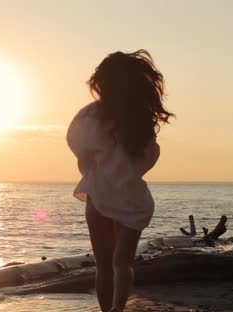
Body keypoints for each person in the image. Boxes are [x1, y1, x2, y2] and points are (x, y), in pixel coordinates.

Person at [67, 50, 174, 311]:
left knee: (103, 265)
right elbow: (149, 159)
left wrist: (92, 170)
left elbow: (78, 148)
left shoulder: (90, 116)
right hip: (131, 198)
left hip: (99, 193)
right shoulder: (140, 118)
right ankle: (118, 309)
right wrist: (126, 175)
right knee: (122, 263)